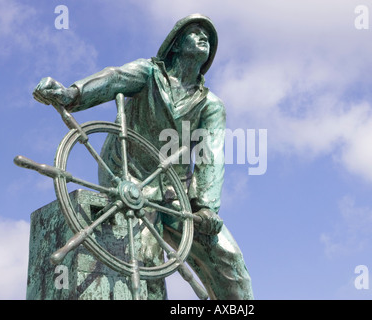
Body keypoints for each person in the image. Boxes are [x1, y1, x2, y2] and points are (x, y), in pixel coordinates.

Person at [33, 14, 253, 300]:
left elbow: (212, 155)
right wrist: (70, 93)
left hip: (179, 196)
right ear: (174, 44)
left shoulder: (210, 106)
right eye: (196, 32)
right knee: (146, 260)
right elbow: (112, 79)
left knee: (230, 262)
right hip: (129, 179)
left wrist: (208, 207)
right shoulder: (149, 74)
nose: (205, 40)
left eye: (209, 39)